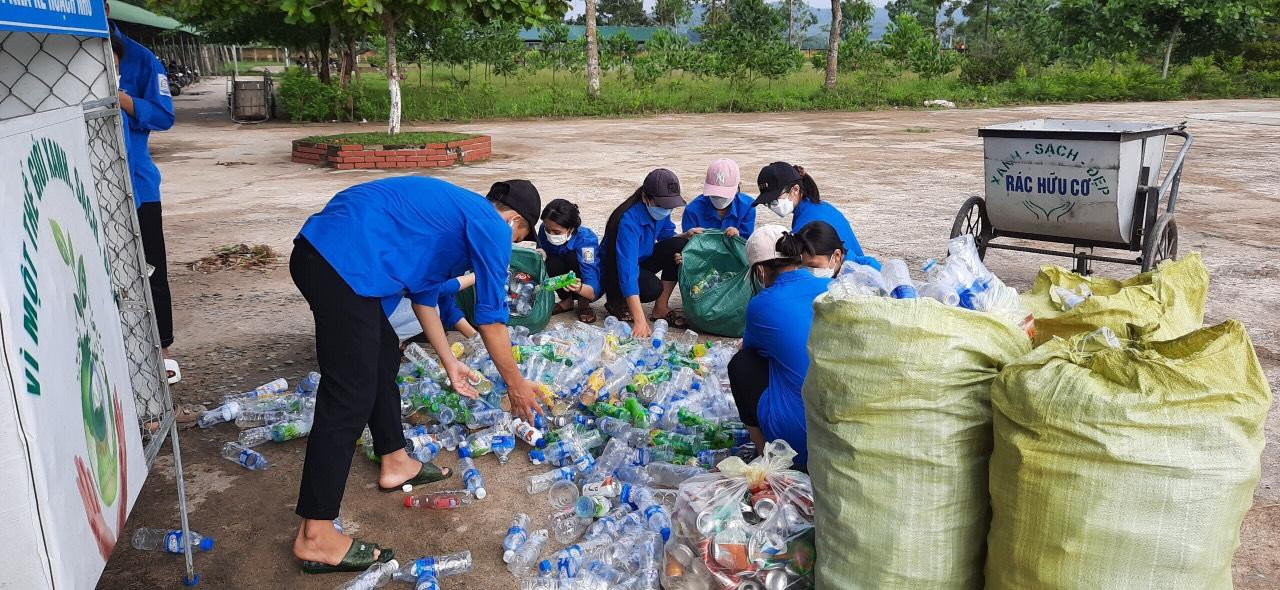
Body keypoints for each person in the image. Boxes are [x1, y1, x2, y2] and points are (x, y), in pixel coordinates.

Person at [289, 176, 545, 573]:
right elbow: (492, 320)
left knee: (382, 356)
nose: (511, 245)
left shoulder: (457, 218)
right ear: (515, 222)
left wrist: (449, 363)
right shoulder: (493, 227)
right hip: (339, 261)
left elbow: (426, 298)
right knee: (349, 395)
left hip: (329, 254)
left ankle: (395, 460)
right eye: (519, 237)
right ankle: (316, 533)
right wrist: (516, 385)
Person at [727, 225, 831, 468]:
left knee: (741, 364)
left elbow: (749, 350)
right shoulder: (829, 286)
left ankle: (767, 457)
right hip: (839, 435)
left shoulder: (761, 304)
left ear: (760, 271)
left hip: (798, 445)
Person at [112, 12, 177, 363]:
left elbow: (164, 115)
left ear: (106, 9)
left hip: (138, 184)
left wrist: (121, 99)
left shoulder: (141, 59)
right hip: (87, 181)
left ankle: (160, 351)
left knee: (151, 269)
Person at [601, 169, 695, 337]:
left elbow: (667, 236)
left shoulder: (660, 211)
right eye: (661, 205)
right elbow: (627, 270)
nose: (666, 210)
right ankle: (617, 300)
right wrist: (640, 321)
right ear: (645, 198)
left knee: (680, 245)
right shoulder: (628, 221)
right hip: (616, 269)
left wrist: (686, 236)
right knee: (652, 287)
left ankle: (661, 308)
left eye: (669, 206)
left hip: (641, 259)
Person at [752, 162, 866, 259]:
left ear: (795, 190)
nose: (771, 206)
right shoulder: (817, 206)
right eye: (767, 202)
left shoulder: (808, 225)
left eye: (774, 200)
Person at [537, 199, 603, 324]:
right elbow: (542, 247)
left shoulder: (586, 240)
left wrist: (580, 288)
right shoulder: (544, 229)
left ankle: (583, 302)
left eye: (556, 232)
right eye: (547, 229)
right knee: (549, 260)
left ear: (571, 229)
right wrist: (541, 254)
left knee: (573, 257)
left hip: (582, 280)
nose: (550, 234)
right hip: (562, 276)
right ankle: (567, 300)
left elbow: (592, 283)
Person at [681, 158, 756, 239]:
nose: (719, 198)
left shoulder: (748, 207)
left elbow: (748, 242)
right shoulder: (692, 210)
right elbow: (686, 242)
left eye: (725, 195)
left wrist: (738, 238)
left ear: (738, 186)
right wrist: (688, 237)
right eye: (715, 194)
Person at [388, 275, 477, 342]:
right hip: (384, 305)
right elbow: (437, 288)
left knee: (432, 307)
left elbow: (446, 304)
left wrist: (476, 338)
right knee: (429, 309)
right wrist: (477, 275)